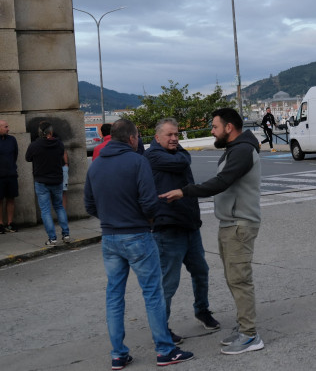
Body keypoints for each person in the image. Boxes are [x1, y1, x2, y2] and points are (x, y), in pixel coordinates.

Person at [84, 119, 194, 368]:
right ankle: (164, 350)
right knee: (152, 293)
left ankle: (118, 354)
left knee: (114, 296)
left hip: (109, 237)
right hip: (137, 234)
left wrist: (111, 220)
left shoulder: (96, 165)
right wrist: (146, 219)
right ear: (132, 138)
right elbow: (149, 201)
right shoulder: (137, 161)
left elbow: (89, 204)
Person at [160, 108, 265, 356]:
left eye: (215, 126)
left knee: (240, 279)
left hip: (240, 224)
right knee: (233, 278)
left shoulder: (241, 150)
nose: (212, 131)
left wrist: (184, 191)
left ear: (229, 127)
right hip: (230, 223)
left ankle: (250, 335)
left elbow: (221, 182)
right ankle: (244, 329)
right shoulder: (235, 149)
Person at [144, 118, 220, 346]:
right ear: (157, 138)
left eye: (176, 134)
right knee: (169, 282)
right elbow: (182, 162)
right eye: (169, 135)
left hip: (189, 224)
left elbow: (184, 159)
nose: (175, 138)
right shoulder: (152, 156)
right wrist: (183, 156)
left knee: (201, 271)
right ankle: (161, 328)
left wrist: (182, 154)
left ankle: (202, 310)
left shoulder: (177, 153)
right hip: (168, 228)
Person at [25, 121, 70, 245]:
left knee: (45, 210)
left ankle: (52, 238)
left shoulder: (34, 145)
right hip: (57, 179)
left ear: (40, 133)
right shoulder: (59, 144)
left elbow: (28, 158)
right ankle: (66, 234)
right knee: (59, 207)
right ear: (50, 132)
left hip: (41, 181)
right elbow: (62, 155)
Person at [0, 120, 18, 234]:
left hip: (11, 173)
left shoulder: (12, 140)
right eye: (6, 127)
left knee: (11, 198)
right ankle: (0, 223)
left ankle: (10, 223)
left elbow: (15, 154)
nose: (8, 129)